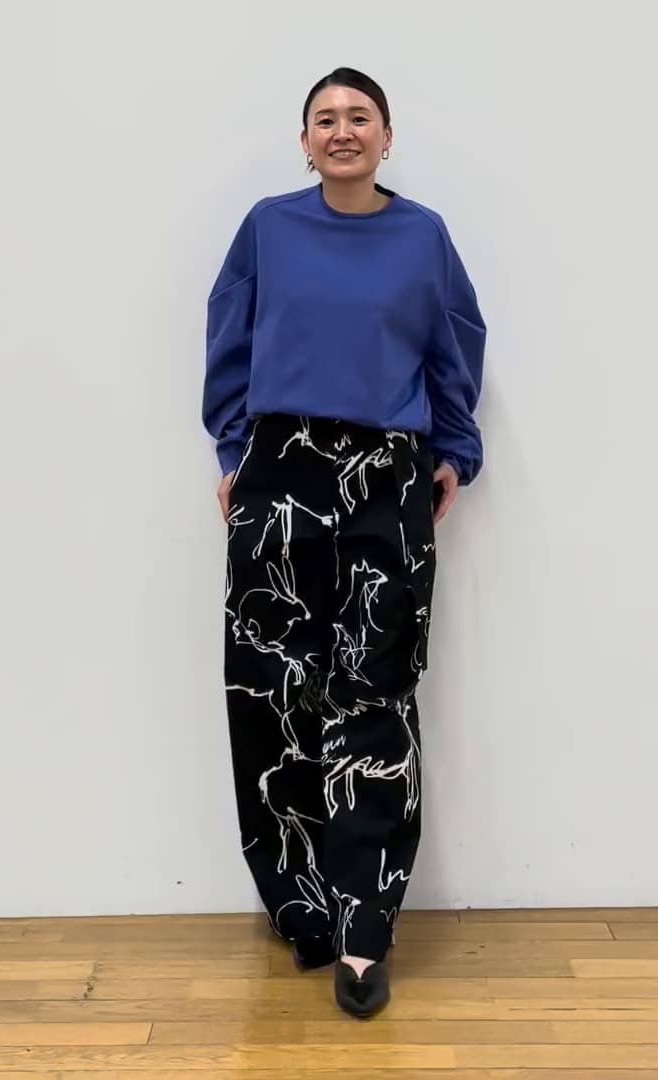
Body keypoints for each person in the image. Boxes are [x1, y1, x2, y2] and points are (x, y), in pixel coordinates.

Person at [202, 67, 486, 1018]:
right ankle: (302, 909)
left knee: (375, 692)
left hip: (386, 473)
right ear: (304, 141)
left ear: (386, 136)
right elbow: (229, 339)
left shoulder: (423, 236)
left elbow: (453, 345)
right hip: (279, 466)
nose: (342, 130)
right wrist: (234, 450)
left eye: (359, 116)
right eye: (324, 118)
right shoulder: (268, 228)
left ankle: (366, 927)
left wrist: (454, 451)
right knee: (273, 689)